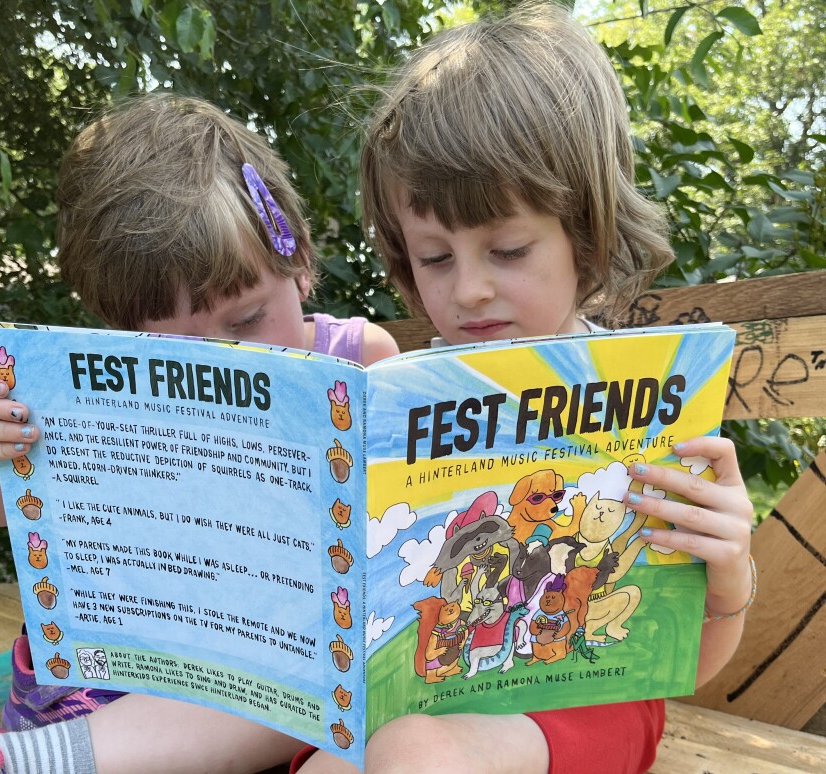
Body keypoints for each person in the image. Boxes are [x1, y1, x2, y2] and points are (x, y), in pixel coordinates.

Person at [289, 4, 755, 773]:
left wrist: (728, 567)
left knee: (413, 754)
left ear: (585, 234)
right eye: (435, 259)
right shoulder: (399, 404)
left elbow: (687, 665)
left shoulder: (645, 402)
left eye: (505, 248)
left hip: (586, 701)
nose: (469, 289)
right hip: (426, 688)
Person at [0, 93, 398, 774]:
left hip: (283, 663)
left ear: (298, 260)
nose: (223, 359)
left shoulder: (359, 360)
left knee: (345, 672)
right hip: (119, 677)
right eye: (172, 350)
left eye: (246, 321)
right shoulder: (89, 387)